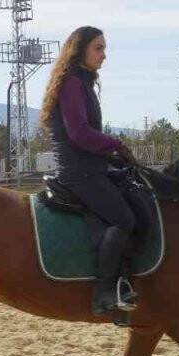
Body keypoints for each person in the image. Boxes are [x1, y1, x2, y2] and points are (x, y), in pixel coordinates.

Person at [38, 26, 141, 315]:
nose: (104, 55)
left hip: (90, 167)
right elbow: (79, 133)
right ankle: (105, 292)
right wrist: (116, 144)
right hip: (78, 172)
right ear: (79, 49)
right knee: (123, 219)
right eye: (99, 48)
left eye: (104, 49)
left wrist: (112, 156)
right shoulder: (72, 83)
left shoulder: (81, 82)